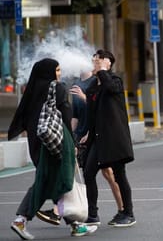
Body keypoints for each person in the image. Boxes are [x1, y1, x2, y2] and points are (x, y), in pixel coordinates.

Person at [8, 58, 97, 239]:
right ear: (48, 72)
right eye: (56, 70)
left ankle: (75, 225)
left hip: (39, 143)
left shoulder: (33, 91)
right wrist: (72, 142)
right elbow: (66, 114)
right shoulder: (57, 88)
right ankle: (21, 220)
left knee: (56, 181)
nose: (59, 74)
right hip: (56, 144)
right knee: (52, 181)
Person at [80, 50, 136, 228]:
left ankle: (128, 213)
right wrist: (86, 133)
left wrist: (103, 70)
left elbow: (111, 88)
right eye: (94, 60)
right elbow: (91, 114)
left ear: (108, 63)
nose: (95, 63)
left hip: (114, 138)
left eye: (99, 61)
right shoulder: (91, 88)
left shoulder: (115, 81)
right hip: (97, 138)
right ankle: (93, 214)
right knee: (88, 173)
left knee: (119, 175)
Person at [70, 70, 124, 220]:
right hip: (83, 134)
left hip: (95, 134)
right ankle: (86, 213)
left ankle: (122, 208)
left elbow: (99, 108)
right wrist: (70, 133)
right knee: (81, 173)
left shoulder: (96, 83)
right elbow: (75, 114)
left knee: (107, 173)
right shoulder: (76, 83)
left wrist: (84, 97)